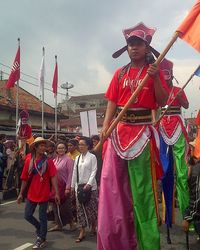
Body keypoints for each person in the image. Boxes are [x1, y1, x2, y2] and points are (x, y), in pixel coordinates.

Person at [97, 22, 168, 250]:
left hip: (142, 137)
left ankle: (147, 244)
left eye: (138, 44)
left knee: (142, 194)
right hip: (118, 134)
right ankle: (116, 243)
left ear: (147, 48)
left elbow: (163, 101)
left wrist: (156, 77)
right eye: (130, 44)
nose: (134, 48)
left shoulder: (154, 71)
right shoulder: (119, 74)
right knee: (112, 190)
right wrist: (105, 128)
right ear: (127, 48)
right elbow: (112, 102)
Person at [158, 59, 189, 227]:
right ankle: (167, 218)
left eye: (168, 76)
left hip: (177, 128)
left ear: (171, 76)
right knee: (165, 173)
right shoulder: (159, 91)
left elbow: (186, 104)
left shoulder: (178, 90)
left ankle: (187, 216)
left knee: (182, 175)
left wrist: (180, 97)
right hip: (163, 129)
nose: (166, 79)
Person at [17, 137, 60, 250]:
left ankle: (41, 238)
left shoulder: (49, 161)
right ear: (35, 147)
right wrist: (21, 194)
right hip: (32, 192)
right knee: (27, 215)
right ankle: (41, 228)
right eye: (41, 145)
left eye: (44, 146)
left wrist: (56, 192)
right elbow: (24, 178)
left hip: (44, 192)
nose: (43, 148)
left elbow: (53, 176)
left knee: (42, 217)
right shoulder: (28, 160)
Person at [71, 137, 98, 243]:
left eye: (82, 144)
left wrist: (89, 184)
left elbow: (94, 171)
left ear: (88, 145)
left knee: (92, 209)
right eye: (79, 144)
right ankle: (82, 231)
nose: (80, 146)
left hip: (90, 188)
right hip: (79, 188)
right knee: (80, 210)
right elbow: (74, 173)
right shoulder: (77, 158)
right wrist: (72, 186)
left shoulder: (92, 157)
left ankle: (93, 226)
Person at [48, 141, 75, 232]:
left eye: (63, 148)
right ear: (56, 149)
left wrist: (68, 187)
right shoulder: (54, 160)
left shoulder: (69, 160)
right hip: (55, 186)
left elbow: (71, 174)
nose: (61, 150)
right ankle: (58, 224)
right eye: (59, 148)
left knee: (65, 206)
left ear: (65, 149)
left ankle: (72, 223)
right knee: (55, 205)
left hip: (64, 185)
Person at [182, 139, 200, 242]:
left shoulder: (196, 170)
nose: (191, 151)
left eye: (193, 148)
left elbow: (197, 198)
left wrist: (188, 217)